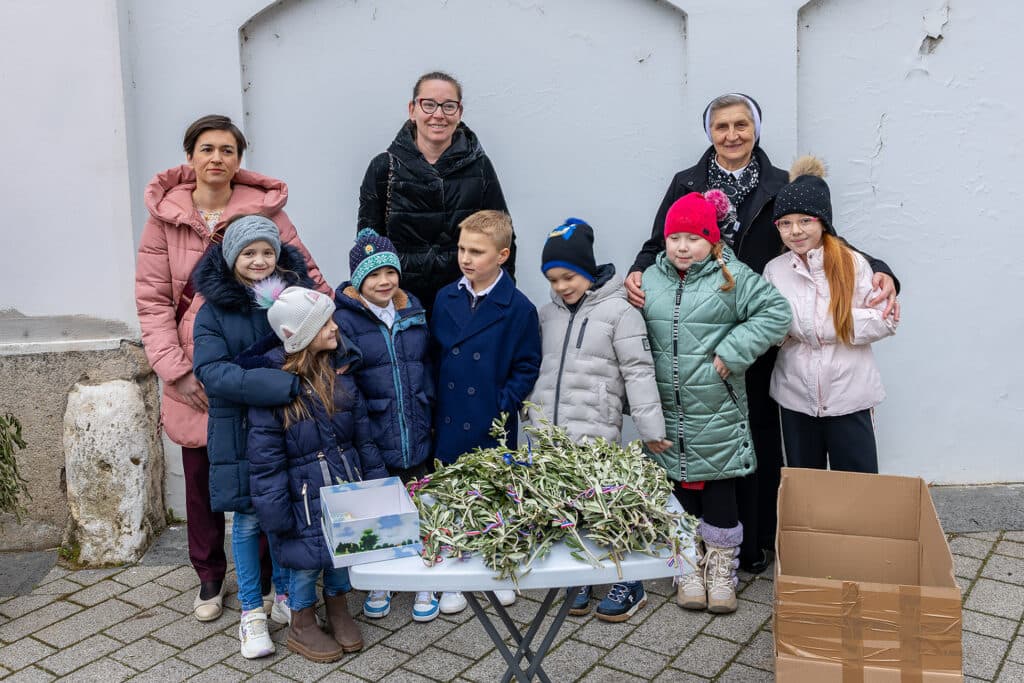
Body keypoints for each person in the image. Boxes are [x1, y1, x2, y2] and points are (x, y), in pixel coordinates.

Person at [623, 93, 900, 573]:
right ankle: (703, 549)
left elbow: (827, 238)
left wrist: (883, 271)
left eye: (741, 124)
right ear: (709, 132)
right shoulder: (686, 182)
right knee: (711, 439)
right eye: (721, 126)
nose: (732, 135)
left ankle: (757, 546)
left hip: (762, 329)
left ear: (756, 128)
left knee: (760, 437)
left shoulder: (780, 185)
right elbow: (657, 243)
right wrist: (636, 271)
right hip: (702, 334)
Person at [134, 114, 328, 622]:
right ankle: (209, 575)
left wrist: (332, 324)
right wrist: (176, 370)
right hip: (196, 371)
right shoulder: (166, 217)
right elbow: (153, 300)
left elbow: (306, 277)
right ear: (190, 156)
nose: (217, 158)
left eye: (227, 150)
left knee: (263, 473)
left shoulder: (267, 212)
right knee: (202, 478)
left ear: (239, 159)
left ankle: (263, 581)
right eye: (207, 149)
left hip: (262, 363)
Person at [642, 191, 791, 613]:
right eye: (675, 238)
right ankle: (687, 566)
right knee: (679, 495)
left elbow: (775, 312)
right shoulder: (650, 279)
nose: (683, 247)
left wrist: (734, 349)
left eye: (693, 237)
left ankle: (722, 570)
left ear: (713, 240)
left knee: (721, 492)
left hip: (717, 411)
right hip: (668, 413)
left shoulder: (732, 276)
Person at [525, 218, 668, 622]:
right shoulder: (545, 315)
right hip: (550, 435)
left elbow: (639, 372)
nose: (560, 287)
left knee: (604, 503)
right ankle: (581, 577)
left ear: (587, 270)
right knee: (566, 508)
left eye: (568, 276)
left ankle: (629, 580)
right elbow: (536, 368)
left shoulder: (620, 312)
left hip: (597, 430)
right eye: (552, 279)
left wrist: (651, 430)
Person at [192, 216, 321, 656]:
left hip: (291, 429)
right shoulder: (213, 312)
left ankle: (286, 595)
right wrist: (278, 385)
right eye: (249, 253)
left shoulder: (294, 297)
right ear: (232, 259)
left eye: (267, 252)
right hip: (241, 431)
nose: (260, 260)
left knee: (287, 511)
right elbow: (213, 372)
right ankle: (251, 612)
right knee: (249, 518)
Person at [244, 287, 387, 663]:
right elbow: (265, 462)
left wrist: (374, 484)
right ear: (302, 335)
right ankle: (302, 621)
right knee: (306, 564)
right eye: (325, 322)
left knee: (342, 556)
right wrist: (276, 515)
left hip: (344, 488)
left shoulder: (340, 376)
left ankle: (338, 608)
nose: (335, 327)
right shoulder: (273, 390)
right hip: (302, 500)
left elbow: (363, 438)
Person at [429, 210, 541, 615]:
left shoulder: (518, 308)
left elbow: (527, 364)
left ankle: (498, 568)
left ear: (503, 255)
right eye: (462, 249)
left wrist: (503, 401)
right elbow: (435, 354)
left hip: (490, 419)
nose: (466, 258)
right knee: (454, 496)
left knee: (494, 496)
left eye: (477, 251)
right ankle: (458, 576)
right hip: (450, 416)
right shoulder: (446, 297)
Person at [763, 157, 898, 472]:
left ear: (822, 221)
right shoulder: (775, 271)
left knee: (857, 487)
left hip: (849, 397)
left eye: (805, 221)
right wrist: (781, 332)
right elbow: (768, 324)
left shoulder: (853, 263)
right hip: (795, 397)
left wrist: (832, 324)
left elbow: (886, 319)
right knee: (805, 485)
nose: (795, 231)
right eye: (785, 223)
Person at [333, 228, 438, 623]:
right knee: (378, 504)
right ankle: (381, 578)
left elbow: (424, 364)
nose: (384, 282)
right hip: (374, 428)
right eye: (373, 275)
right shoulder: (344, 319)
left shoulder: (412, 311)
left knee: (419, 502)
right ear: (358, 281)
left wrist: (427, 403)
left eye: (389, 272)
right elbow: (345, 378)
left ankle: (425, 577)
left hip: (415, 424)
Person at [358, 71, 514, 314]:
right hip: (400, 306)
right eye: (428, 104)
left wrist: (503, 300)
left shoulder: (480, 167)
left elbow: (503, 236)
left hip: (465, 304)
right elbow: (367, 244)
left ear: (459, 113)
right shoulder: (383, 167)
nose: (438, 114)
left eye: (448, 106)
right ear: (413, 110)